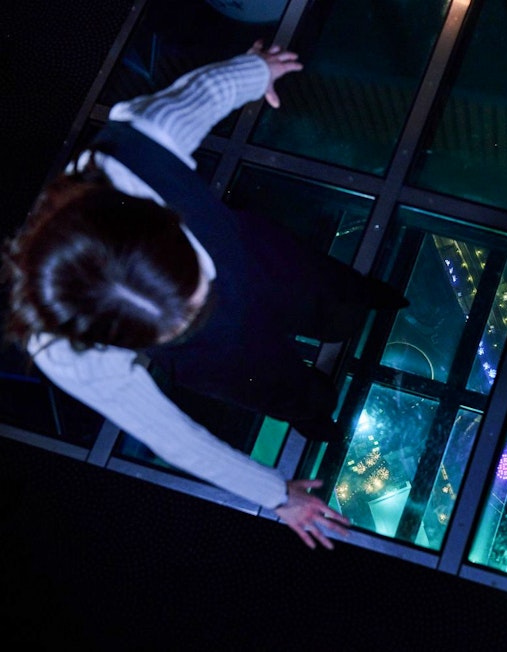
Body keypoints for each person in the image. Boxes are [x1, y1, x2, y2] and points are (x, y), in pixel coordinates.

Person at [2, 42, 405, 549]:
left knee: (334, 300)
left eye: (192, 284)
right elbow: (172, 435)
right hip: (217, 362)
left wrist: (256, 69)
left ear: (158, 216)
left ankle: (358, 310)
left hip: (256, 263)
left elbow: (202, 93)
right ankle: (317, 413)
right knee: (288, 395)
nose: (201, 308)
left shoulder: (141, 146)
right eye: (171, 324)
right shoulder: (64, 350)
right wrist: (276, 495)